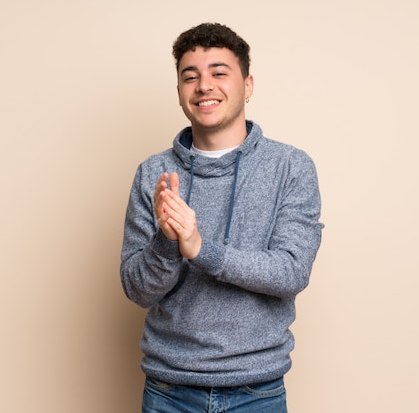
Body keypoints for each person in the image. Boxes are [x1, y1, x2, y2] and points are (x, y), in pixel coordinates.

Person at [120, 22, 323, 412]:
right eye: (190, 76)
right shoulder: (154, 173)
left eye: (219, 73)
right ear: (179, 92)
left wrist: (199, 248)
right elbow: (138, 290)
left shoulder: (291, 167)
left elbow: (291, 273)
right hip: (169, 390)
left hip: (257, 391)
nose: (204, 86)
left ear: (247, 85)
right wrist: (167, 242)